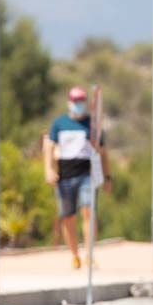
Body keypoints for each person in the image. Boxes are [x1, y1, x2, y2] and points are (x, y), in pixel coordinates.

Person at [44, 86, 111, 269]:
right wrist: (49, 169)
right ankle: (74, 255)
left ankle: (90, 254)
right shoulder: (59, 123)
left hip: (86, 175)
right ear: (69, 102)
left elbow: (103, 152)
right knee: (68, 217)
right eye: (75, 101)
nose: (78, 104)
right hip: (65, 176)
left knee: (88, 211)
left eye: (81, 101)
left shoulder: (92, 125)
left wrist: (107, 177)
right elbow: (49, 146)